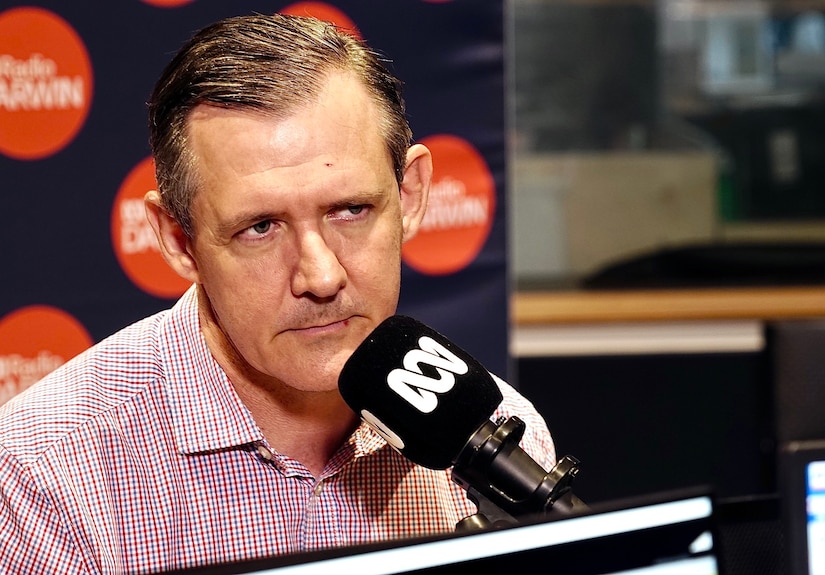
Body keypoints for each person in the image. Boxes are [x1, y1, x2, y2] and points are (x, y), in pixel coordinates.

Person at [0, 13, 558, 574]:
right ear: (178, 240)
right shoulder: (46, 478)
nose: (320, 277)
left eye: (350, 210)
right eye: (260, 227)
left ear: (410, 195)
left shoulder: (501, 440)